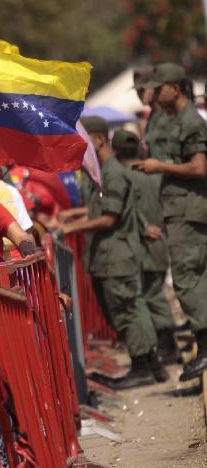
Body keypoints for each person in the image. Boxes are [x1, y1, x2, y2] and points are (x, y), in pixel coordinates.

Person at [64, 116, 166, 388]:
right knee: (124, 310)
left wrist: (72, 227)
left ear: (98, 140)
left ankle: (143, 364)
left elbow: (110, 217)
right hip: (108, 256)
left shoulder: (112, 173)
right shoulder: (101, 172)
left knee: (127, 310)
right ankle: (150, 364)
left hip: (117, 255)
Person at [131, 63, 207, 382]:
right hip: (181, 210)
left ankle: (205, 346)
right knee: (191, 276)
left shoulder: (189, 121)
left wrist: (158, 165)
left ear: (174, 88)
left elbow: (199, 168)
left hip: (189, 212)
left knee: (187, 277)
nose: (154, 93)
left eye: (159, 87)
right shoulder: (178, 120)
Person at [113, 129, 181, 365]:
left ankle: (167, 346)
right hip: (160, 241)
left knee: (151, 295)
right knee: (154, 292)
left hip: (143, 244)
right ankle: (167, 345)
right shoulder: (155, 175)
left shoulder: (125, 176)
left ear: (115, 150)